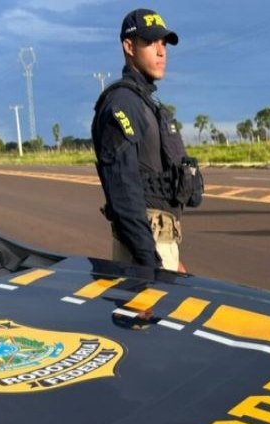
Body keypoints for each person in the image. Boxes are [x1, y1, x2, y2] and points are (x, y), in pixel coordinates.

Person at [92, 8, 202, 271]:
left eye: (163, 43)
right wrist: (151, 263)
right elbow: (123, 193)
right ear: (129, 46)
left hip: (161, 246)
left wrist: (172, 256)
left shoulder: (147, 105)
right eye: (151, 42)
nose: (161, 51)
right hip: (143, 254)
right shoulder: (122, 105)